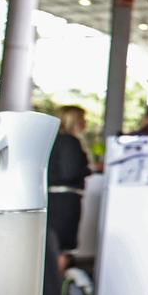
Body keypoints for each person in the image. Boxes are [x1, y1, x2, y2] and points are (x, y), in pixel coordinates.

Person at [47, 105, 93, 269]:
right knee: (62, 249)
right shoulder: (69, 141)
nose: (85, 123)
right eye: (83, 119)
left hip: (54, 201)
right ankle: (59, 291)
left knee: (53, 246)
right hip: (65, 203)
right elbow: (69, 172)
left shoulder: (53, 140)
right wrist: (91, 169)